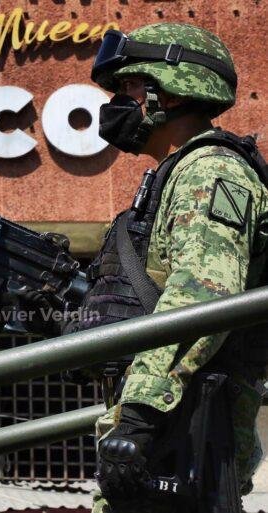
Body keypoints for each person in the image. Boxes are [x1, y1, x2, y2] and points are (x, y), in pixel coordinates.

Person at [72, 22, 268, 512]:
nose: (117, 103)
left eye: (128, 87)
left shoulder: (211, 169)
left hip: (186, 431)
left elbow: (203, 295)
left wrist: (140, 414)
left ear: (173, 93)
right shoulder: (174, 174)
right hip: (169, 427)